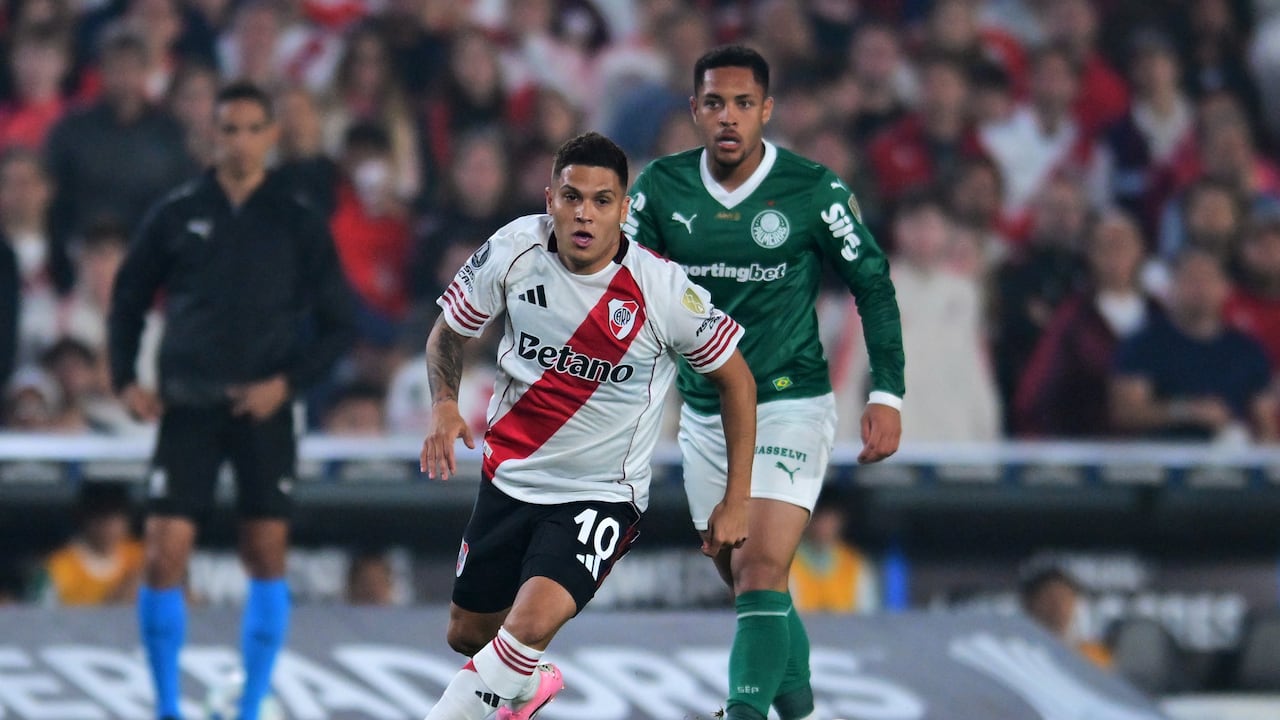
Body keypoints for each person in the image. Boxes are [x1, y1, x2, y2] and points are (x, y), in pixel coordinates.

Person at [420, 131, 756, 720]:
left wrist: (737, 497)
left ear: (624, 210)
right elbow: (449, 332)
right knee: (470, 637)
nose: (584, 213)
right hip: (510, 479)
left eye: (602, 201)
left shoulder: (660, 290)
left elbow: (738, 380)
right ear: (550, 198)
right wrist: (445, 403)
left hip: (600, 495)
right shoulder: (514, 249)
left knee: (525, 627)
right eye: (572, 197)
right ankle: (531, 680)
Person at [625, 46, 904, 720]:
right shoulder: (659, 190)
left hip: (790, 403)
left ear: (765, 111)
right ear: (694, 111)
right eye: (714, 103)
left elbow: (871, 282)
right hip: (705, 412)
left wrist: (886, 392)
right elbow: (616, 285)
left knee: (758, 568)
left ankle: (741, 714)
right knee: (758, 587)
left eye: (743, 104)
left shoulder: (813, 189)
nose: (728, 117)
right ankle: (799, 709)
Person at [107, 81, 356, 720]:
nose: (240, 141)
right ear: (211, 135)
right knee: (163, 554)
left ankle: (248, 706)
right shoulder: (176, 212)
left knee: (265, 552)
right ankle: (167, 707)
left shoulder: (298, 220)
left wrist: (288, 384)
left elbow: (339, 324)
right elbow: (129, 296)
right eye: (228, 128)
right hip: (188, 403)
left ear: (272, 135)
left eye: (252, 128)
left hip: (264, 409)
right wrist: (123, 376)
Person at [39, 480, 144, 605]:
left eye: (116, 515)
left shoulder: (142, 556)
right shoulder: (57, 567)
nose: (109, 525)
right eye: (101, 515)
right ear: (83, 518)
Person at [789, 492, 878, 614]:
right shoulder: (787, 564)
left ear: (840, 522)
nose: (824, 527)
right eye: (819, 519)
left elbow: (867, 614)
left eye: (830, 520)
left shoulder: (856, 565)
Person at [1019, 565, 1112, 669]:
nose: (1057, 608)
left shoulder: (1093, 656)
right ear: (1030, 605)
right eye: (1049, 600)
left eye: (1064, 599)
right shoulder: (1018, 652)